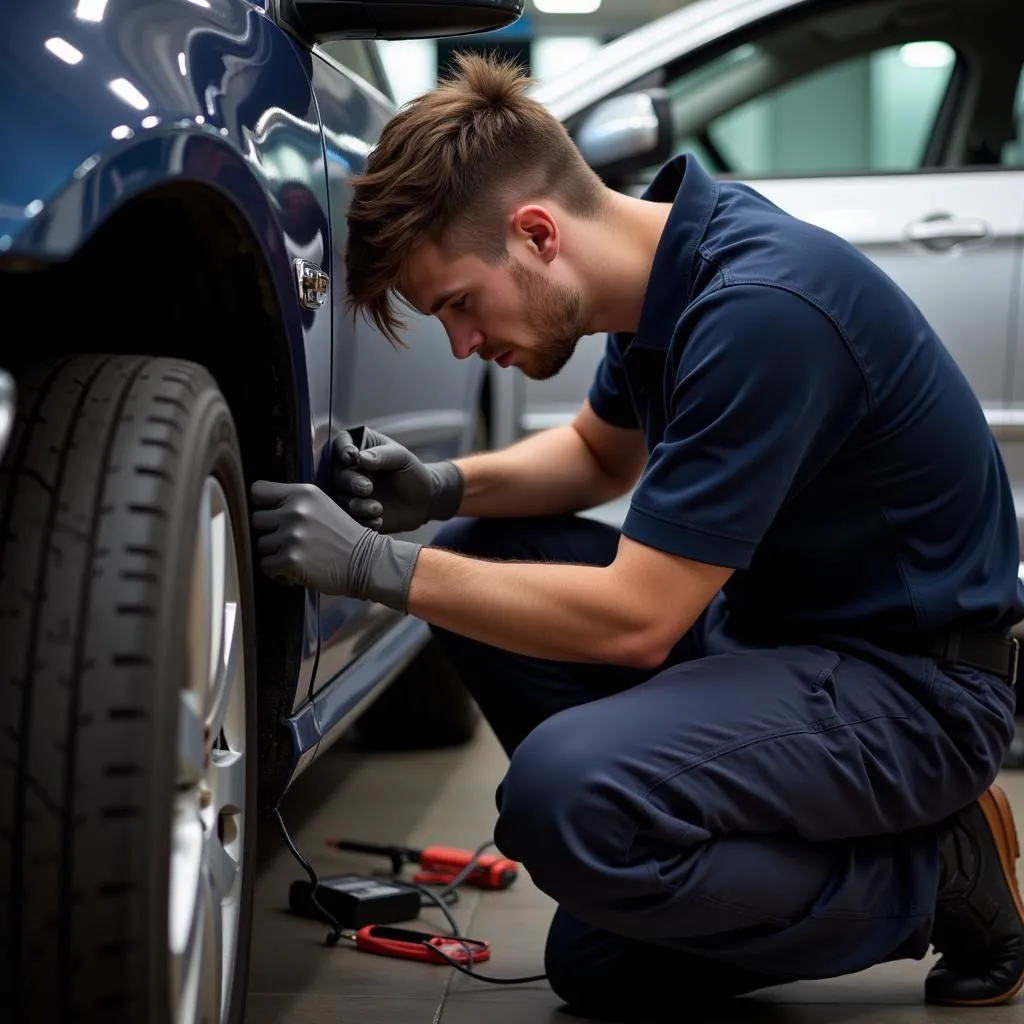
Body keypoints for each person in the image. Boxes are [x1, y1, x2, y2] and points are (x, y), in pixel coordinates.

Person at [249, 53, 1024, 1014]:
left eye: (456, 303)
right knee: (600, 962)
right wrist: (442, 488)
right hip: (779, 647)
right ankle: (651, 822)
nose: (461, 346)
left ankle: (939, 870)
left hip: (917, 690)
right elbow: (595, 457)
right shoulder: (664, 273)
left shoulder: (760, 311)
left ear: (536, 233)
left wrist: (372, 564)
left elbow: (636, 620)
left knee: (562, 801)